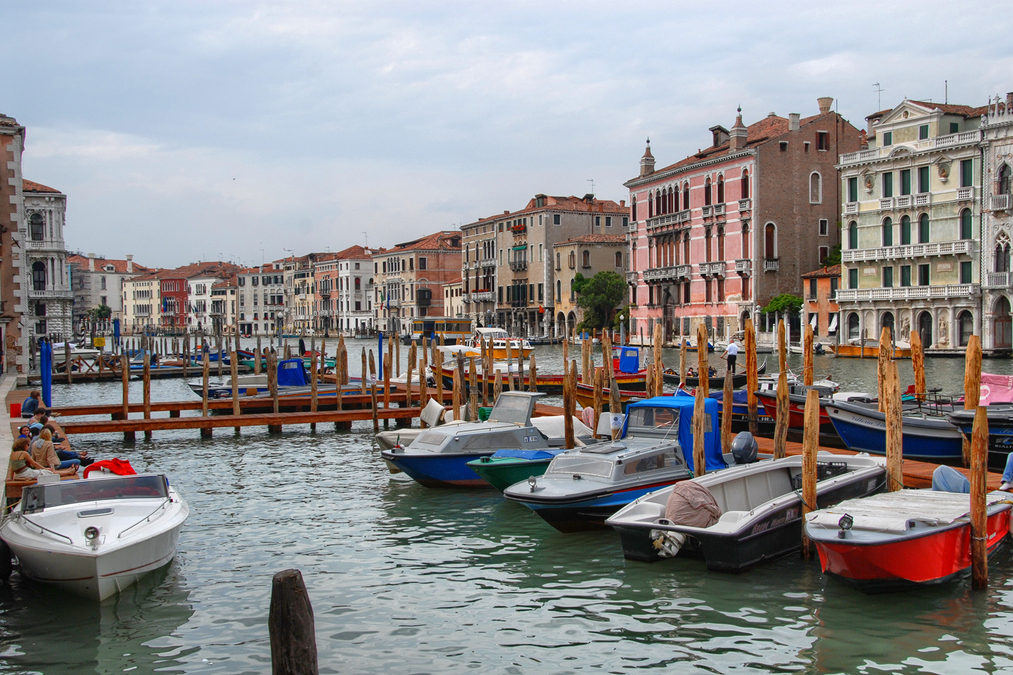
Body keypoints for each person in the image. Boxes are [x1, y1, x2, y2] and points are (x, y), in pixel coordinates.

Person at [9, 437, 76, 480]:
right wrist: (44, 468)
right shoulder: (23, 453)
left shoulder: (13, 454)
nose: (29, 447)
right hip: (26, 473)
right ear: (23, 445)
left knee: (47, 471)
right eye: (28, 445)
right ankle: (69, 472)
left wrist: (10, 477)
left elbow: (12, 467)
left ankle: (68, 471)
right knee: (48, 472)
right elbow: (34, 463)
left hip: (19, 474)